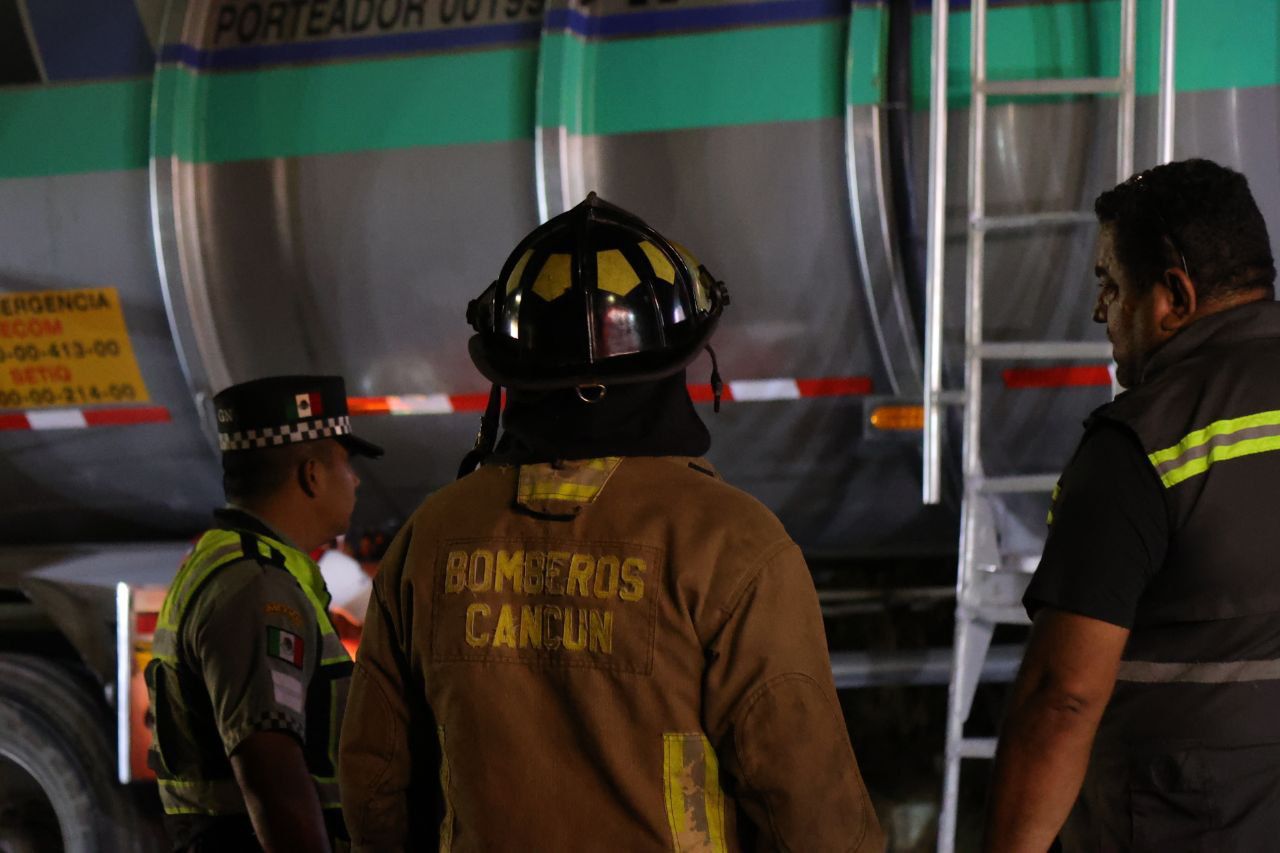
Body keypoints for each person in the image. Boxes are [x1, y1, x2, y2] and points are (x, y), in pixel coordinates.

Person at [338, 194, 883, 850]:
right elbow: (806, 803)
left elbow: (375, 780)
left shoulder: (430, 538)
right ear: (679, 362)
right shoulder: (732, 544)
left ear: (511, 374)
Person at [985, 159, 1280, 851]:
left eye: (1111, 284)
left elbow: (1063, 699)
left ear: (1173, 295)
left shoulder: (1139, 447)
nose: (1100, 311)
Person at [146, 375, 383, 852]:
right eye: (346, 462)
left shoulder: (236, 565)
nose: (355, 479)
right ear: (312, 475)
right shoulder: (257, 587)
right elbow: (271, 773)